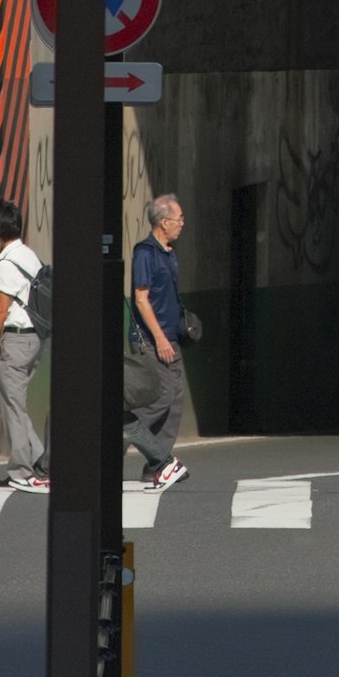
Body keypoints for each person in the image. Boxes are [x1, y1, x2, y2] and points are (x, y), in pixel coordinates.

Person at [128, 196, 190, 492]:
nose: (182, 223)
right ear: (163, 222)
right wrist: (161, 338)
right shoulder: (145, 252)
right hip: (154, 341)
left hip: (171, 338)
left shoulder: (168, 252)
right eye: (178, 218)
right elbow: (141, 299)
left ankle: (157, 465)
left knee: (174, 404)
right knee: (159, 399)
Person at [0, 204, 49, 490]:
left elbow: (1, 310)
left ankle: (22, 472)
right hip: (35, 339)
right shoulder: (30, 256)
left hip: (16, 339)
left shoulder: (6, 264)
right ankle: (39, 460)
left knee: (11, 406)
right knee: (16, 404)